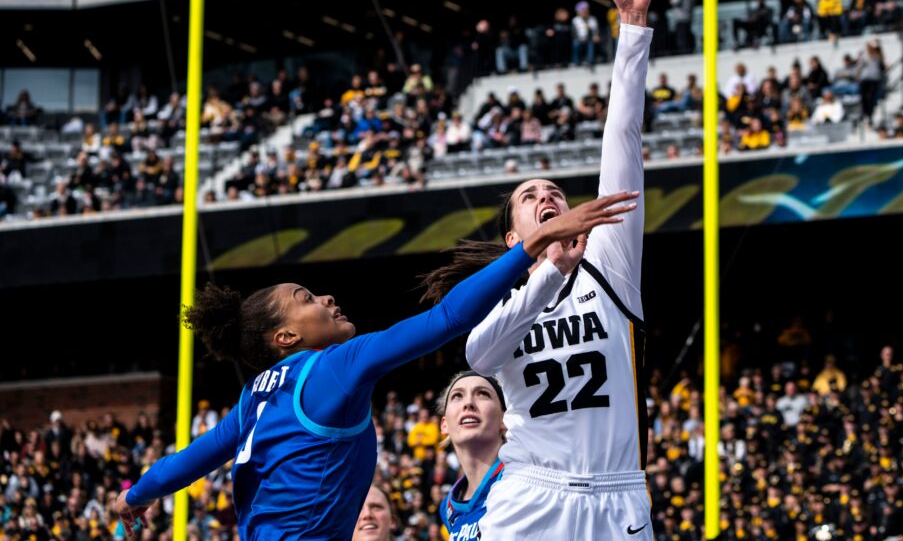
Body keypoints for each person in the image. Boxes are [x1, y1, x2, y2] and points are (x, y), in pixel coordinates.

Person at [112, 196, 635, 539]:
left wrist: (136, 496)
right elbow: (448, 318)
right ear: (286, 337)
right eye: (306, 297)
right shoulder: (334, 368)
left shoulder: (255, 399)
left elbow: (189, 462)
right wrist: (534, 245)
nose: (327, 296)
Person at [419, 0, 665, 541]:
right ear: (512, 237)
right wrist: (547, 269)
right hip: (531, 492)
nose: (547, 198)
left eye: (553, 191)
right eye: (531, 198)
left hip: (618, 495)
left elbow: (624, 137)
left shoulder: (610, 260)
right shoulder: (501, 296)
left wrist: (632, 26)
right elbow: (479, 355)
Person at [437, 372, 508, 541]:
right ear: (444, 424)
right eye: (457, 396)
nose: (468, 403)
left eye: (483, 394)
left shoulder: (524, 479)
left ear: (505, 419)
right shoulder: (448, 507)